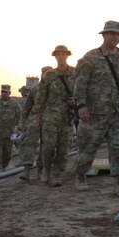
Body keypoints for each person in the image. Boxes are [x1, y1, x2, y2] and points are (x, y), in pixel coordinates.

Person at [73, 21, 119, 197]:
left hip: (117, 113)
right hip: (94, 113)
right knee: (88, 148)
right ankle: (80, 176)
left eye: (118, 35)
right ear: (103, 35)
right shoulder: (91, 58)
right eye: (111, 33)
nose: (115, 37)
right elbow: (80, 82)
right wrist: (81, 104)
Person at [35, 46, 77, 186]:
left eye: (63, 54)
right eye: (58, 55)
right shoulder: (49, 75)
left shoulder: (75, 73)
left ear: (67, 56)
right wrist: (37, 117)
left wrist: (75, 101)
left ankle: (56, 174)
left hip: (67, 117)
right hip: (50, 115)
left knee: (63, 147)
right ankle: (47, 168)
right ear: (55, 57)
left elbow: (82, 92)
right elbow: (40, 97)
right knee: (48, 145)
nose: (60, 57)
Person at [17, 72, 47, 181]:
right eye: (44, 75)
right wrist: (22, 121)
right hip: (34, 122)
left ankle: (41, 171)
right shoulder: (35, 89)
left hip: (49, 122)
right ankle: (26, 171)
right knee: (29, 143)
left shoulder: (55, 88)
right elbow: (27, 107)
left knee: (46, 147)